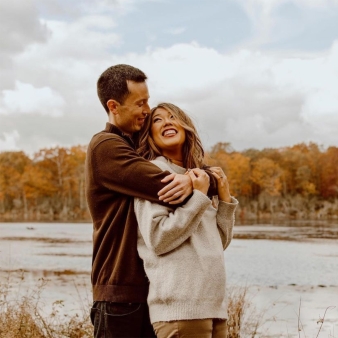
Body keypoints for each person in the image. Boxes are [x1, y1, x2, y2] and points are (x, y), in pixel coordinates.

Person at [85, 64, 218, 338]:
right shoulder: (106, 146)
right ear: (114, 106)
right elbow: (165, 185)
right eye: (140, 103)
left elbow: (191, 180)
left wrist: (206, 178)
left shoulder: (139, 148)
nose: (147, 110)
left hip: (154, 293)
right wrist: (204, 181)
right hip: (120, 295)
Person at [135, 102, 239, 338]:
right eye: (158, 120)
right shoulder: (153, 173)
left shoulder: (198, 175)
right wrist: (199, 197)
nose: (168, 122)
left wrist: (224, 201)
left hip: (214, 308)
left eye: (173, 117)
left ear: (186, 126)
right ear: (150, 135)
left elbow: (218, 242)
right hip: (181, 311)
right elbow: (158, 239)